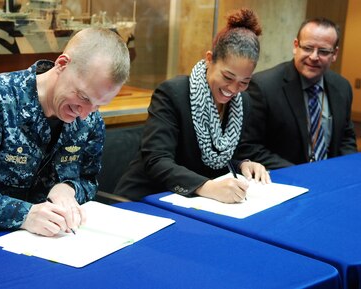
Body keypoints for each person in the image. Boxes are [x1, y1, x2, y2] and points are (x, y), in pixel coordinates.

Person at [0, 27, 130, 242]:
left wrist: (68, 189)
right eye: (83, 97)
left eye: (99, 105)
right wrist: (22, 214)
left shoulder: (89, 118)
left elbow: (87, 180)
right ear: (62, 64)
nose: (85, 114)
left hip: (42, 243)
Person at [115, 8, 270, 203]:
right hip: (149, 198)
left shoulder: (243, 103)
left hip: (200, 204)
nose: (233, 88)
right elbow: (156, 160)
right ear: (209, 59)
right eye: (227, 76)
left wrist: (243, 165)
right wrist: (208, 187)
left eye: (244, 81)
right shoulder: (173, 93)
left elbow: (220, 155)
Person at [234, 17, 357, 169]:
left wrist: (350, 169)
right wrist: (301, 174)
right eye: (307, 48)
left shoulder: (342, 87)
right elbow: (249, 147)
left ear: (335, 54)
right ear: (295, 46)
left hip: (330, 180)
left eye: (323, 51)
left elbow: (346, 138)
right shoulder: (263, 87)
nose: (313, 57)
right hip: (285, 183)